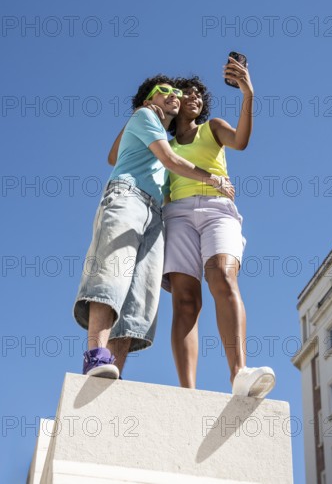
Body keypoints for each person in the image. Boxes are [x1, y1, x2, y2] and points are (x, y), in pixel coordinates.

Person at [73, 74, 234, 380]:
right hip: (128, 198)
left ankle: (111, 374)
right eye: (165, 91)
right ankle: (95, 356)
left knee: (138, 300)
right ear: (149, 100)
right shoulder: (145, 116)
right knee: (111, 275)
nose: (174, 94)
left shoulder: (158, 134)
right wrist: (213, 179)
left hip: (156, 214)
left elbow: (112, 156)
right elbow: (170, 160)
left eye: (177, 91)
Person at [162, 57, 275, 397]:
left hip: (218, 209)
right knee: (184, 301)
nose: (194, 97)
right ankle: (188, 392)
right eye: (187, 93)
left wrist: (248, 94)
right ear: (174, 101)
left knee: (223, 276)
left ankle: (239, 373)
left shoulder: (212, 128)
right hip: (177, 214)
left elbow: (240, 141)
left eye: (198, 93)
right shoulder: (164, 144)